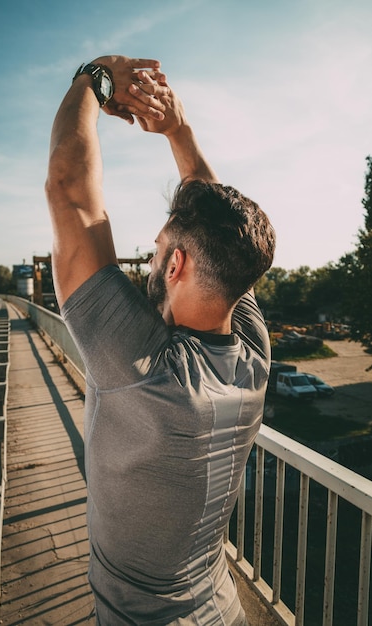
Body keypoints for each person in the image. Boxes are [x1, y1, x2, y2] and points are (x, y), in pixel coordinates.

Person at [46, 55, 275, 625]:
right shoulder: (252, 349)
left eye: (157, 246)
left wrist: (92, 78)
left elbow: (70, 190)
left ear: (174, 265)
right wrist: (175, 128)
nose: (150, 251)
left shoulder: (145, 368)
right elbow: (221, 228)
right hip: (221, 609)